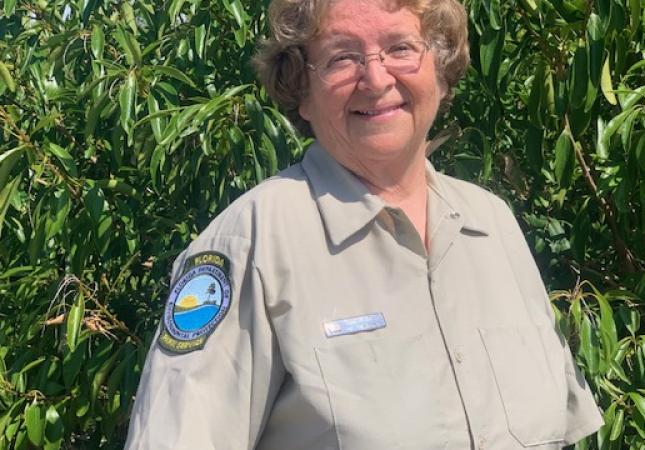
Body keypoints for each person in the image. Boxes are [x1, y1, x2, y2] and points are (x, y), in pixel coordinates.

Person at [124, 0, 604, 448]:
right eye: (341, 58)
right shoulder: (250, 243)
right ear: (302, 93)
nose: (376, 79)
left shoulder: (492, 224)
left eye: (400, 48)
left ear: (439, 70)